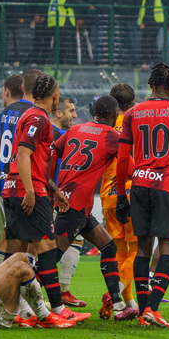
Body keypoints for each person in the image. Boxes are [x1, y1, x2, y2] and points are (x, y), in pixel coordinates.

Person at [115, 63, 169, 327]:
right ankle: (153, 308)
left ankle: (143, 312)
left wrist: (120, 194)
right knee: (168, 248)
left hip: (139, 186)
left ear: (151, 85)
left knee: (142, 248)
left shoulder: (132, 113)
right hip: (167, 187)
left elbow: (122, 157)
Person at [2, 74, 88, 323]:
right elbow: (23, 154)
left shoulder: (28, 115)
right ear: (55, 96)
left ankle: (15, 309)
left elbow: (36, 160)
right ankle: (58, 311)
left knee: (16, 252)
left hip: (14, 188)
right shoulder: (38, 118)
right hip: (28, 191)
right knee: (47, 247)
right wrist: (31, 190)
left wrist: (53, 189)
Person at [52, 95, 138, 322]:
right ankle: (36, 306)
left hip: (74, 202)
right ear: (115, 116)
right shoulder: (111, 135)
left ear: (94, 113)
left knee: (108, 247)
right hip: (73, 204)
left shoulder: (76, 129)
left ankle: (118, 304)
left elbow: (53, 151)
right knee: (51, 258)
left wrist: (52, 185)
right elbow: (129, 168)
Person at [0, 70, 41, 270]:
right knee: (32, 241)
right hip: (23, 184)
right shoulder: (32, 114)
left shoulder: (3, 115)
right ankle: (0, 288)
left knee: (9, 236)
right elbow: (24, 153)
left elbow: (1, 150)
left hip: (3, 182)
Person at [99, 84, 139, 314]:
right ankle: (114, 292)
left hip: (107, 194)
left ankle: (127, 302)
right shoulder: (135, 121)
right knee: (138, 250)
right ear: (132, 102)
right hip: (130, 191)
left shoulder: (104, 127)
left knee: (120, 251)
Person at [49, 97, 85, 308]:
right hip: (56, 196)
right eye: (71, 111)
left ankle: (63, 291)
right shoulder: (55, 135)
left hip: (60, 195)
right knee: (45, 246)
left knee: (74, 240)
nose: (75, 115)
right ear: (59, 113)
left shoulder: (59, 134)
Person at [137, 0, 164, 67]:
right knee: (152, 43)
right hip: (155, 22)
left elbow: (148, 9)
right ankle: (155, 62)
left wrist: (144, 22)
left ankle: (146, 62)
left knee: (145, 42)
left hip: (150, 23)